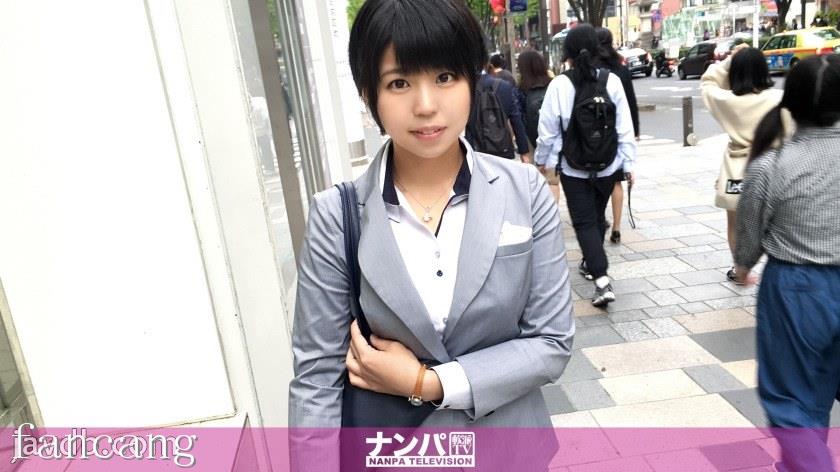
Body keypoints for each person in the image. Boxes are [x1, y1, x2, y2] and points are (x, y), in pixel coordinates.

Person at [289, 0, 574, 468]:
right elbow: (316, 381)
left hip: (510, 453)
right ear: (369, 94)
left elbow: (551, 341)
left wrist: (427, 384)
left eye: (444, 77)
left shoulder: (523, 191)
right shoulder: (336, 216)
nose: (425, 106)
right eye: (399, 83)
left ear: (471, 81)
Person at [734, 54, 840, 472]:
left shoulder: (771, 167)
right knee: (817, 393)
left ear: (789, 104)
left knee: (791, 400)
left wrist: (743, 266)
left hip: (797, 291)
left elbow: (749, 236)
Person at [535, 24, 636, 307]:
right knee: (596, 217)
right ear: (596, 49)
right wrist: (628, 162)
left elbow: (548, 130)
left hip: (573, 166)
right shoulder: (611, 81)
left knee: (584, 222)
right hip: (608, 163)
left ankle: (601, 279)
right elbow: (624, 126)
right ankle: (593, 264)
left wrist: (543, 160)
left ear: (567, 51)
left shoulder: (559, 84)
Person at [700, 44, 791, 284]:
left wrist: (730, 59)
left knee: (735, 222)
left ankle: (739, 267)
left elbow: (708, 81)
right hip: (772, 166)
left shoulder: (726, 100)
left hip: (736, 169)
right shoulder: (779, 99)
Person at [595, 27, 640, 245]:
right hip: (617, 133)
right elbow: (630, 102)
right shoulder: (621, 69)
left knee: (598, 179)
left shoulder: (592, 69)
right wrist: (635, 131)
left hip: (595, 135)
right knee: (617, 181)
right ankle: (617, 227)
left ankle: (599, 219)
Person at [467, 64, 532, 163]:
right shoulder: (505, 86)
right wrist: (524, 151)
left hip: (476, 151)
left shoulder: (466, 89)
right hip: (502, 149)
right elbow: (516, 120)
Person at [516, 50, 552, 149]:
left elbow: (521, 121)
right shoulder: (554, 85)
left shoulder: (521, 91)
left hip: (535, 144)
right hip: (557, 142)